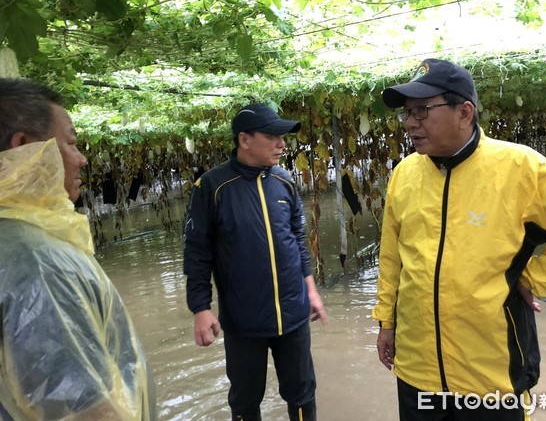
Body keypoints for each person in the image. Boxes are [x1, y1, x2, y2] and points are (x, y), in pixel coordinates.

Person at [372, 58, 546, 420]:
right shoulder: (404, 174)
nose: (411, 123)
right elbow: (392, 257)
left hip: (491, 375)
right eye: (406, 113)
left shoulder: (520, 168)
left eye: (422, 110)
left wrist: (532, 278)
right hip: (418, 371)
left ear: (464, 113)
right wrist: (387, 322)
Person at [0, 78, 155, 420]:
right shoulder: (36, 261)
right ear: (25, 146)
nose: (82, 159)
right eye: (70, 142)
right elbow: (83, 408)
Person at [183, 103, 328, 421]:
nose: (281, 143)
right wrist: (201, 308)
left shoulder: (285, 182)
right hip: (244, 320)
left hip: (293, 314)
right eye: (272, 135)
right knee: (246, 400)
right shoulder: (212, 187)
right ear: (244, 140)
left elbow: (298, 242)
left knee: (302, 392)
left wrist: (311, 292)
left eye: (282, 136)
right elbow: (196, 252)